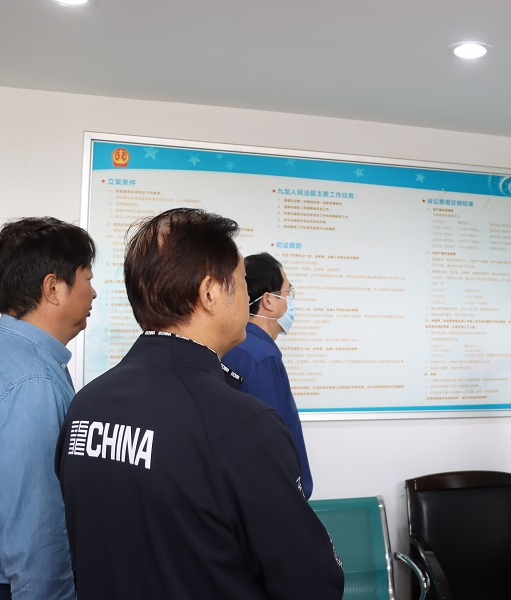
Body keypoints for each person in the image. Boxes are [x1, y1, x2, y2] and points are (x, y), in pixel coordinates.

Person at [55, 208, 343, 599]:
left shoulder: (85, 406)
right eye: (241, 281)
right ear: (210, 293)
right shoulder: (245, 425)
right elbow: (312, 582)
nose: (247, 296)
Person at [0, 217, 96, 600]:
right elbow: (36, 539)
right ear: (53, 288)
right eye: (87, 278)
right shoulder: (31, 382)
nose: (93, 293)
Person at [222, 252, 313, 499]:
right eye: (287, 293)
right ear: (269, 301)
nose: (290, 302)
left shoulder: (233, 347)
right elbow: (272, 442)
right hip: (270, 498)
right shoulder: (262, 358)